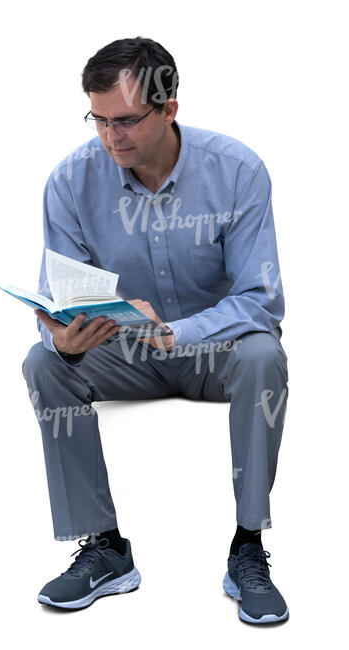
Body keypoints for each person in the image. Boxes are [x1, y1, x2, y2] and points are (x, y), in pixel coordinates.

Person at [21, 36, 289, 624]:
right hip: (126, 356)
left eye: (125, 121)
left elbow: (261, 301)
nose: (109, 137)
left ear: (169, 109)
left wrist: (176, 333)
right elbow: (62, 298)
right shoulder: (69, 182)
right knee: (43, 363)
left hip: (213, 353)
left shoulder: (237, 172)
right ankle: (105, 549)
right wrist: (60, 339)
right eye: (98, 120)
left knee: (263, 355)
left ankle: (248, 549)